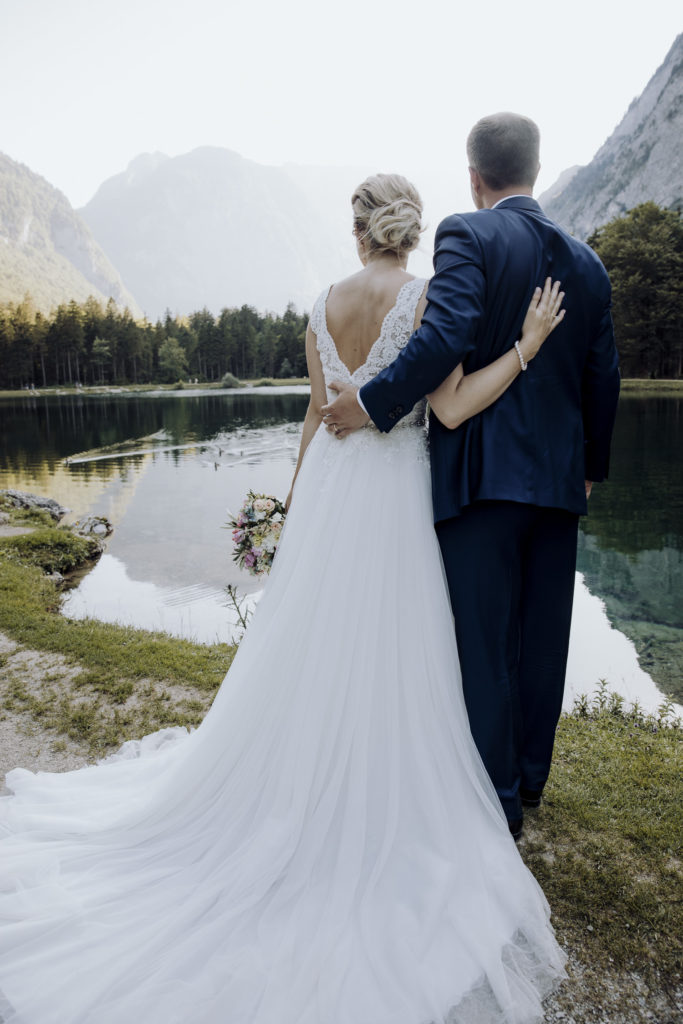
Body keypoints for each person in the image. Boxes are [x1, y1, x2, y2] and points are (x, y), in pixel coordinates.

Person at [1, 173, 565, 1024]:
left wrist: (297, 505)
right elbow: (446, 409)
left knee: (310, 648)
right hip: (392, 497)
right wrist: (523, 347)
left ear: (358, 228)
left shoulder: (322, 301)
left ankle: (296, 792)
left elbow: (313, 415)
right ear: (410, 232)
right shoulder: (424, 299)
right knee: (394, 649)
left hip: (335, 495)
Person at [324, 115, 621, 840]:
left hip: (480, 480)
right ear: (536, 167)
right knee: (542, 639)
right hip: (556, 486)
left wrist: (370, 403)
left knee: (483, 642)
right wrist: (589, 469)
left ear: (473, 174)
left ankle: (497, 797)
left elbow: (444, 336)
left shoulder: (468, 233)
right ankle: (530, 778)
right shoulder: (585, 264)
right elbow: (600, 375)